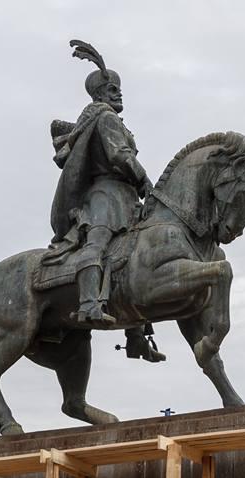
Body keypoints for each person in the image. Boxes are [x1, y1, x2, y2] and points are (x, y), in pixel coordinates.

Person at [47, 40, 164, 362]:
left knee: (135, 256)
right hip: (106, 194)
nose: (118, 94)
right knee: (97, 244)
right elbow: (118, 155)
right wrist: (144, 178)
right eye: (113, 89)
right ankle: (88, 305)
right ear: (100, 93)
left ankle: (136, 337)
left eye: (119, 89)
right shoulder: (105, 117)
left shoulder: (112, 119)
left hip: (126, 196)